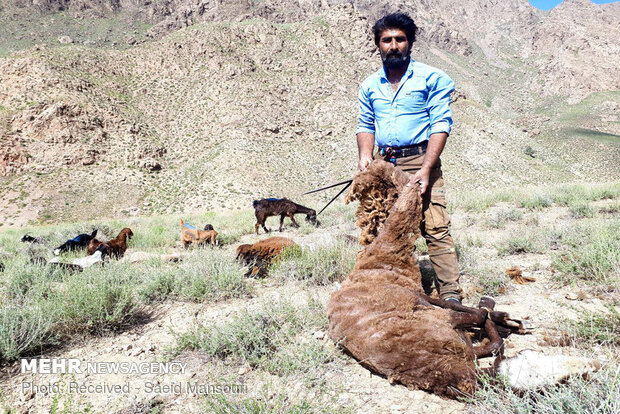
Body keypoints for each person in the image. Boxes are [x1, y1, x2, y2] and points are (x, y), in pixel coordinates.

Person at [356, 12, 462, 303]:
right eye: (386, 40)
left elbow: (441, 124)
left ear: (410, 43)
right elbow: (365, 125)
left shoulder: (433, 78)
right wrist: (366, 157)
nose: (393, 45)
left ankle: (451, 295)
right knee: (382, 228)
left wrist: (427, 169)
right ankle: (390, 289)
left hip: (420, 159)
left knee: (435, 226)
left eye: (400, 39)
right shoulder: (369, 86)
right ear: (378, 44)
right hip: (384, 164)